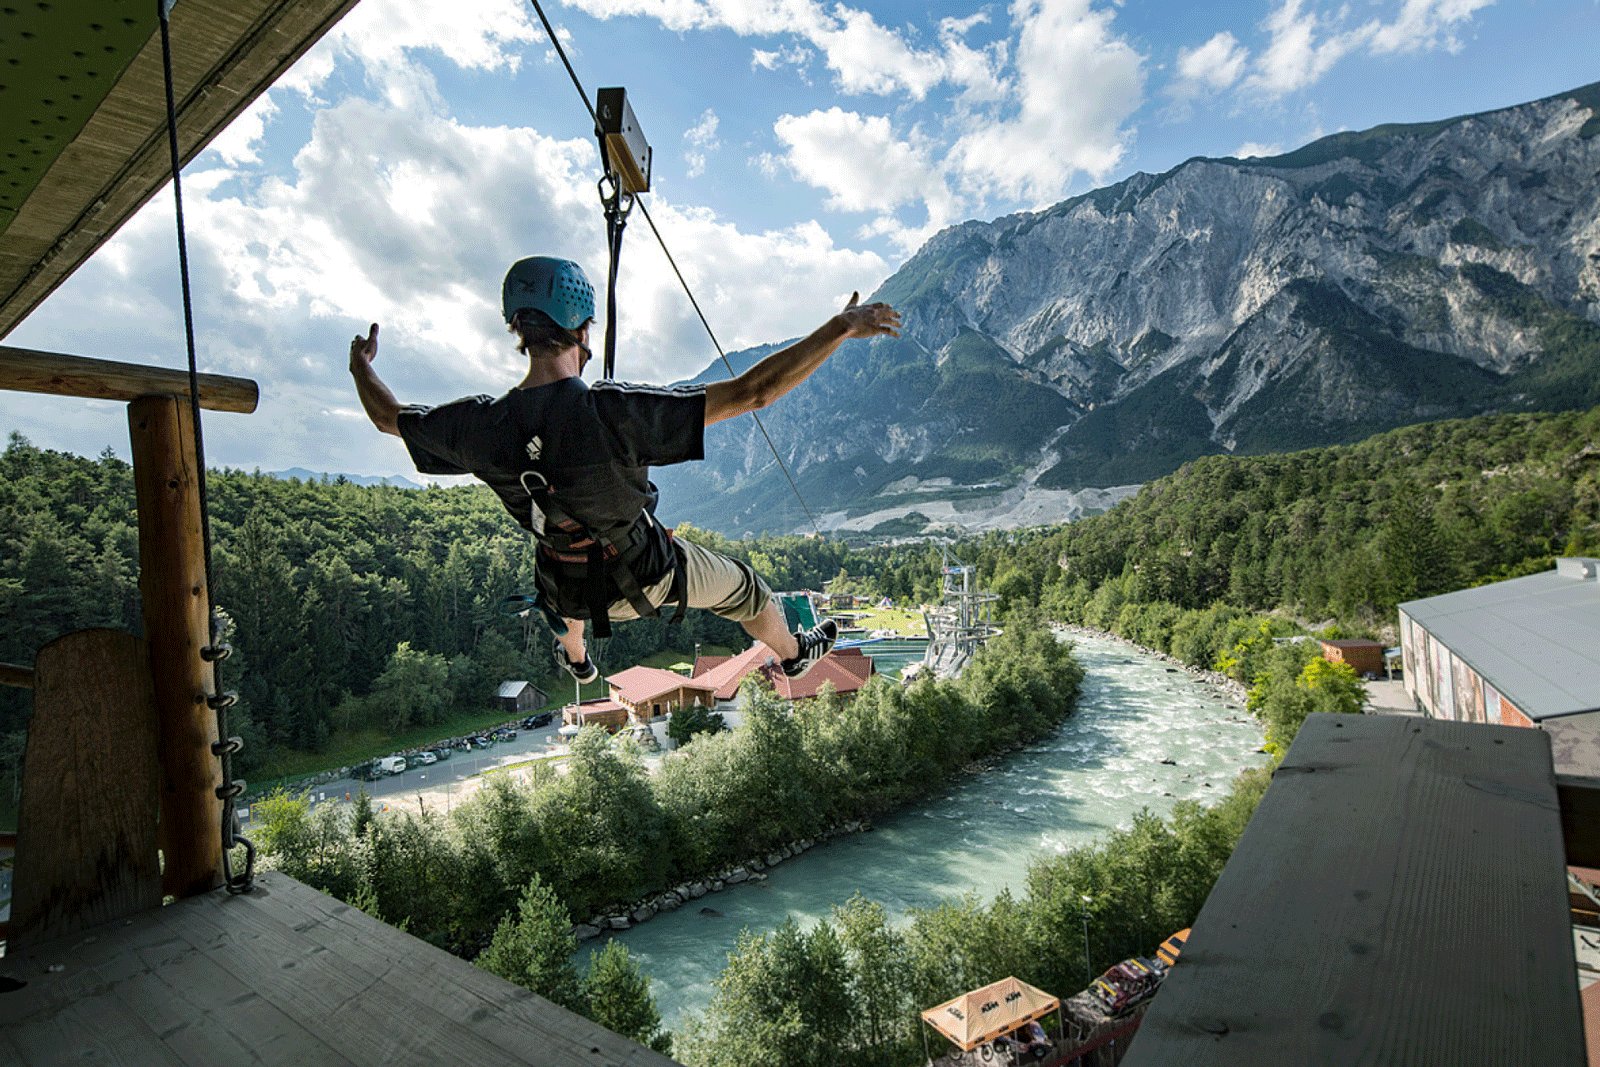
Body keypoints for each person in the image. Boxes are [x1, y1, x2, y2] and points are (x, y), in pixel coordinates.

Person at [348, 255, 901, 683]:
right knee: (749, 591)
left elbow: (387, 418)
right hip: (647, 575)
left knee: (560, 560)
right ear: (582, 331)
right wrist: (840, 327)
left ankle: (580, 661)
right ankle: (795, 655)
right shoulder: (611, 412)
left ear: (519, 330)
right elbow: (754, 392)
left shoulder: (480, 427)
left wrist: (360, 365)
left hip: (563, 583)